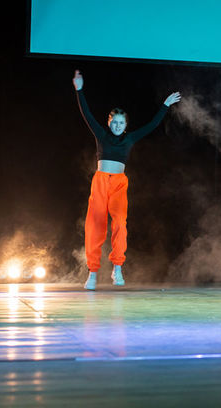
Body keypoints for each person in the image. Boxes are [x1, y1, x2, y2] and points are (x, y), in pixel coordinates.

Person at [74, 70, 180, 290]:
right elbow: (87, 114)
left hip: (119, 184)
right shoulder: (101, 135)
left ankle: (117, 267)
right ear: (109, 122)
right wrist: (79, 90)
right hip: (100, 182)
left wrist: (165, 105)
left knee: (120, 224)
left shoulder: (130, 138)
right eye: (114, 122)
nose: (117, 126)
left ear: (125, 125)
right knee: (94, 225)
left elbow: (151, 125)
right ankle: (92, 272)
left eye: (121, 123)